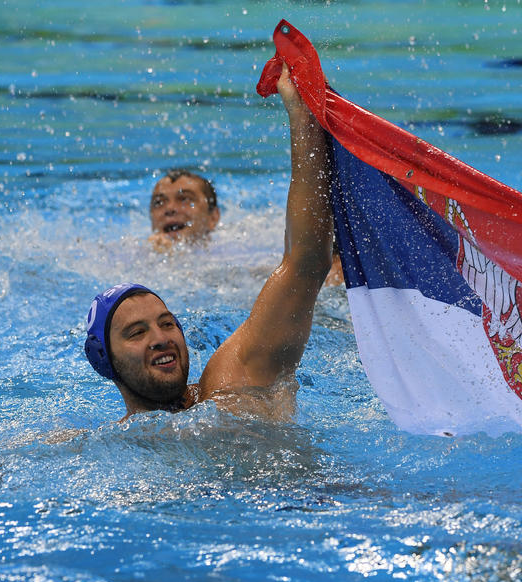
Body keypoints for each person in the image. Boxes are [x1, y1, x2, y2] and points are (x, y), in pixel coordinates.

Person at [85, 64, 333, 420]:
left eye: (168, 323)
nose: (161, 338)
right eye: (137, 332)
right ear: (104, 359)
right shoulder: (105, 445)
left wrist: (304, 119)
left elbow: (307, 262)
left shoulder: (232, 383)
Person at [146, 167, 344, 285]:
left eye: (185, 200)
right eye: (159, 202)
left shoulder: (237, 251)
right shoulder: (131, 257)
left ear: (213, 217)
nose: (169, 209)